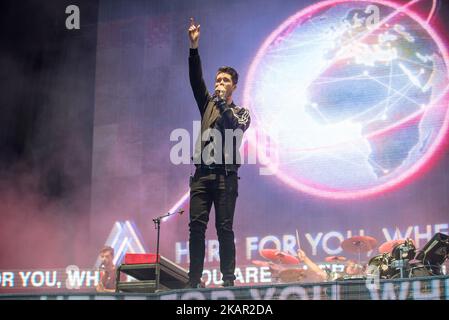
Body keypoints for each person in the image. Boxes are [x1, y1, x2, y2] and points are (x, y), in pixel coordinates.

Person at [186, 18, 251, 288]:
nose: (219, 83)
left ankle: (228, 280)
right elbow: (194, 79)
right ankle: (193, 280)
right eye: (217, 80)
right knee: (196, 229)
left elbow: (232, 127)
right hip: (202, 176)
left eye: (225, 80)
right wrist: (194, 46)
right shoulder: (207, 104)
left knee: (224, 229)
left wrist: (223, 103)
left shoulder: (241, 112)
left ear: (233, 86)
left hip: (227, 177)